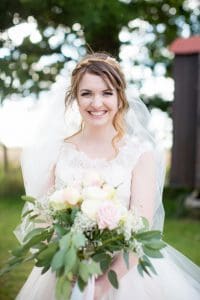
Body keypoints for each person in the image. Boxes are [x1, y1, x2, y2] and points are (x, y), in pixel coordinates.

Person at [15, 52, 200, 300]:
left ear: (120, 97)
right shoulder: (58, 152)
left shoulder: (139, 155)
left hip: (125, 273)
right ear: (74, 98)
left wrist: (104, 284)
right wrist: (64, 266)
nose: (96, 103)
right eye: (86, 93)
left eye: (107, 93)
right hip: (64, 270)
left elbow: (141, 231)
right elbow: (43, 220)